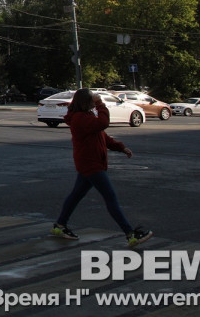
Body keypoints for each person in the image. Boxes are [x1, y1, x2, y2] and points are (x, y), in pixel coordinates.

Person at [51, 88, 152, 247]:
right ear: (86, 102)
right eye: (92, 99)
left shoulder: (87, 117)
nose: (94, 101)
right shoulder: (79, 118)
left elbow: (102, 135)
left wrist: (120, 147)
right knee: (110, 197)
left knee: (76, 195)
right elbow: (104, 123)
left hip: (90, 163)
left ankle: (60, 225)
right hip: (91, 164)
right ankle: (130, 234)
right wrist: (100, 103)